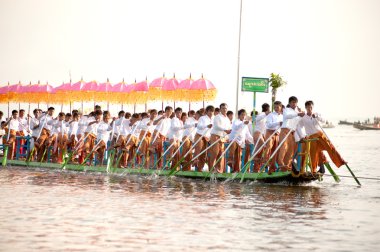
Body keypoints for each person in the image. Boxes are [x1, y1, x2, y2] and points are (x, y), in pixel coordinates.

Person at [301, 100, 346, 173]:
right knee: (313, 154)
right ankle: (314, 170)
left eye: (311, 107)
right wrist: (302, 136)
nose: (310, 109)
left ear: (313, 107)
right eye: (308, 107)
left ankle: (341, 161)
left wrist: (317, 117)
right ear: (306, 108)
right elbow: (299, 126)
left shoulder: (317, 114)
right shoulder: (303, 117)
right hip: (311, 138)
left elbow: (324, 121)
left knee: (330, 147)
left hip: (320, 135)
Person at [277, 96, 305, 172]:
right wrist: (298, 114)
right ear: (289, 103)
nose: (294, 104)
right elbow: (287, 116)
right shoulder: (286, 110)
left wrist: (302, 136)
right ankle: (281, 163)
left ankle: (287, 166)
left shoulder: (297, 112)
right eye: (292, 102)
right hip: (285, 130)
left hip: (292, 132)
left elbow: (297, 126)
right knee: (284, 147)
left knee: (291, 150)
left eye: (295, 102)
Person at [208, 103, 231, 173]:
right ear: (220, 109)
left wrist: (227, 137)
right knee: (215, 152)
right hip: (215, 135)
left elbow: (228, 129)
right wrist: (225, 130)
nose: (224, 110)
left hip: (222, 137)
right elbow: (216, 126)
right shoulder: (217, 117)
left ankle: (218, 170)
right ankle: (211, 169)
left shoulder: (227, 119)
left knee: (221, 154)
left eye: (225, 108)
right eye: (223, 108)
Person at [263, 101, 283, 174]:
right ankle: (265, 161)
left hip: (277, 134)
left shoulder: (282, 116)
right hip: (270, 132)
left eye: (278, 107)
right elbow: (268, 125)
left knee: (275, 151)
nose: (276, 108)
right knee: (269, 146)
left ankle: (272, 169)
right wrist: (278, 123)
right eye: (275, 107)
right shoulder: (271, 115)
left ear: (281, 107)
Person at [193, 105, 214, 172]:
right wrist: (206, 126)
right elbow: (199, 126)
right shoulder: (202, 118)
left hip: (207, 138)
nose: (211, 113)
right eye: (210, 111)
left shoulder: (214, 119)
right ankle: (195, 161)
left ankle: (200, 169)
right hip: (199, 136)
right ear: (207, 111)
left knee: (204, 155)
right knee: (198, 149)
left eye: (212, 111)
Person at [252, 103, 270, 172]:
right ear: (267, 109)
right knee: (264, 146)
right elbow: (257, 118)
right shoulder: (262, 114)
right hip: (257, 133)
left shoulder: (267, 116)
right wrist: (266, 114)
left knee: (261, 150)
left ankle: (257, 168)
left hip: (262, 134)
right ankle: (255, 157)